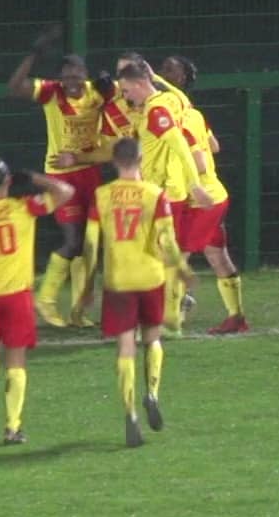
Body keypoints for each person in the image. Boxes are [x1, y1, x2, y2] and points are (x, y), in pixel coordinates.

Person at [79, 135, 194, 447]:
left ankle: (129, 414)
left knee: (125, 348)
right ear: (141, 160)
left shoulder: (101, 195)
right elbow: (166, 240)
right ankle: (152, 393)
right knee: (153, 339)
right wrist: (181, 269)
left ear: (115, 162)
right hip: (150, 277)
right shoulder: (155, 195)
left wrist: (87, 283)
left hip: (118, 280)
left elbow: (90, 243)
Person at [0, 158, 76, 445]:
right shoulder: (24, 208)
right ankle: (12, 426)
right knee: (17, 361)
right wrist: (36, 178)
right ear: (8, 181)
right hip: (16, 295)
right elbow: (66, 192)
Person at [7, 27, 110, 328]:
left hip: (91, 173)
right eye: (66, 75)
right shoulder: (52, 92)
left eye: (76, 74)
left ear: (85, 75)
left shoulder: (97, 93)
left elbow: (123, 102)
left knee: (90, 242)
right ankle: (46, 300)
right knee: (74, 239)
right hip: (62, 178)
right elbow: (14, 87)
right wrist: (34, 54)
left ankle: (79, 310)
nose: (71, 80)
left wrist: (110, 89)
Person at [94, 61, 208, 334]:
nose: (125, 95)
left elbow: (180, 147)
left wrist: (195, 185)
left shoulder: (157, 111)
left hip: (165, 195)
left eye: (126, 90)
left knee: (159, 256)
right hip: (156, 193)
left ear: (137, 84)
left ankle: (169, 319)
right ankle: (162, 316)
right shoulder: (154, 107)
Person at [159, 55, 248, 334]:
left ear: (182, 79)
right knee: (216, 254)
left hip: (201, 199)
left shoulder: (178, 118)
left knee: (176, 257)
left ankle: (172, 319)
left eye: (168, 71)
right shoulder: (194, 114)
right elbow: (215, 146)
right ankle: (236, 317)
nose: (162, 74)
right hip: (215, 195)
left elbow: (198, 160)